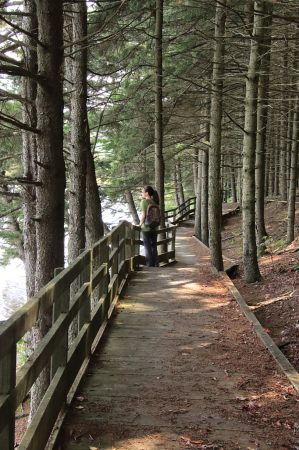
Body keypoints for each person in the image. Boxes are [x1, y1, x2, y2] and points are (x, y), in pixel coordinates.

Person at [138, 185, 159, 267]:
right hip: (155, 226)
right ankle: (156, 264)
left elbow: (143, 216)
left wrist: (140, 224)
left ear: (147, 193)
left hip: (146, 228)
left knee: (147, 247)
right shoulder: (155, 202)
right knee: (154, 246)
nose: (142, 193)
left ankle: (149, 265)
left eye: (142, 192)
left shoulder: (144, 202)